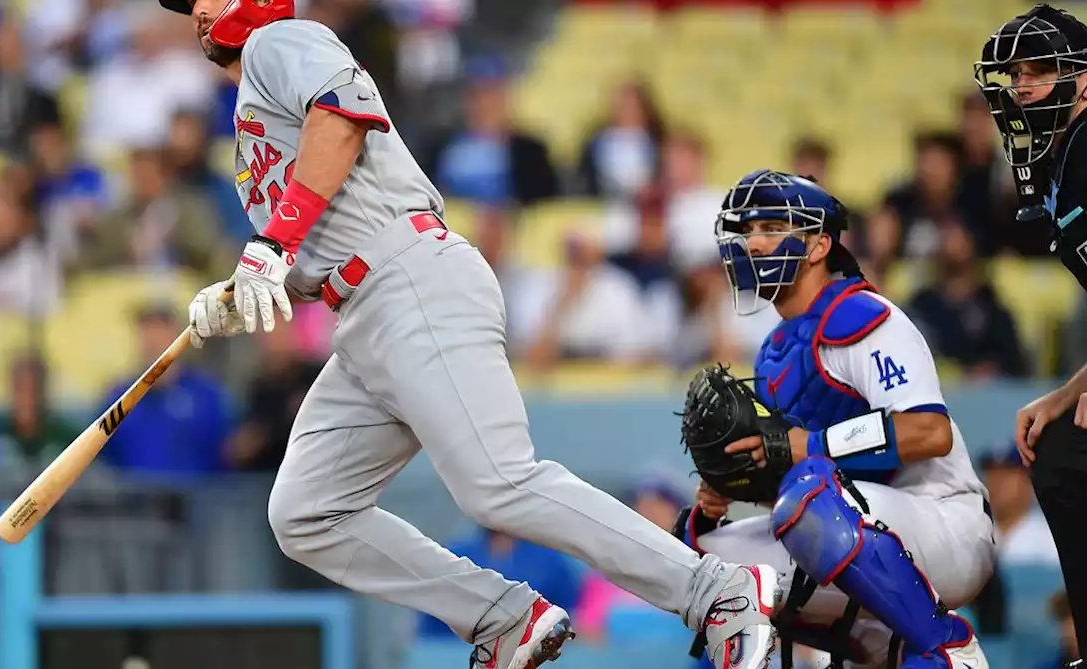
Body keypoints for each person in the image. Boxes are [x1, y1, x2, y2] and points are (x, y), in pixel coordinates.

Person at [171, 2, 781, 668]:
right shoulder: (249, 113)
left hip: (408, 280)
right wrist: (239, 293)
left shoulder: (278, 41)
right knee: (306, 511)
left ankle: (719, 590)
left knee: (497, 481)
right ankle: (503, 617)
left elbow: (340, 118)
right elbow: (319, 232)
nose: (198, 9)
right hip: (364, 310)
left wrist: (270, 243)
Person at [679, 170, 993, 668]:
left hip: (946, 523)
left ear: (819, 245)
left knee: (811, 490)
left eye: (770, 227)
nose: (753, 243)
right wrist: (729, 490)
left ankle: (948, 645)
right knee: (698, 558)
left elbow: (927, 432)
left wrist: (807, 447)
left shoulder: (865, 316)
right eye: (747, 230)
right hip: (857, 522)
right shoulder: (775, 353)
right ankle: (883, 647)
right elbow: (803, 472)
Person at [976, 6, 1087, 667]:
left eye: (1042, 69)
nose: (1022, 87)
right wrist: (1064, 391)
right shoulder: (1073, 158)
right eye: (1015, 74)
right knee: (1059, 436)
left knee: (1073, 456)